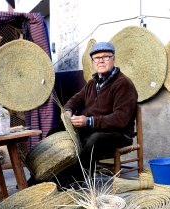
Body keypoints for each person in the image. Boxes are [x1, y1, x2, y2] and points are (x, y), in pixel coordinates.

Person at [57, 41, 138, 185]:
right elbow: (75, 100)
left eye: (106, 57)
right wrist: (68, 112)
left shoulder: (123, 84)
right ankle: (45, 177)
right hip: (94, 129)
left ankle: (73, 182)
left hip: (118, 133)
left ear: (114, 59)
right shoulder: (92, 83)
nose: (101, 60)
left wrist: (88, 121)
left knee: (94, 140)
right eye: (96, 58)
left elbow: (120, 119)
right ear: (93, 62)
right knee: (56, 131)